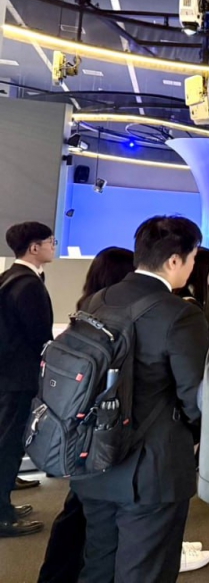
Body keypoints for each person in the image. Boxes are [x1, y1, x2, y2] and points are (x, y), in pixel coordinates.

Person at [71, 217, 209, 583]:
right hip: (152, 470)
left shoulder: (98, 300)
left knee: (98, 565)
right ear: (175, 260)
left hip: (93, 457)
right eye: (193, 257)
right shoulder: (180, 314)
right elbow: (197, 399)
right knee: (146, 570)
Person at [0, 222, 55, 538]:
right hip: (17, 377)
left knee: (7, 442)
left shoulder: (11, 277)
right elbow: (39, 334)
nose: (53, 246)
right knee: (7, 445)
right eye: (50, 241)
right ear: (34, 247)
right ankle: (2, 515)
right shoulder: (28, 284)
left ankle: (4, 504)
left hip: (9, 375)